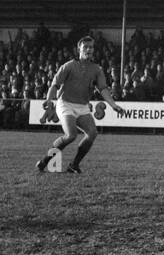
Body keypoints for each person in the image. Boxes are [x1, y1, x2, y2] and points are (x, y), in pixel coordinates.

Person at [36, 36, 123, 174]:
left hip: (82, 106)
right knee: (71, 135)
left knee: (92, 133)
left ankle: (73, 165)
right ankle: (45, 160)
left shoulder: (96, 69)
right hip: (65, 104)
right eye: (86, 47)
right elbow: (54, 85)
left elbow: (103, 89)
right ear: (79, 49)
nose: (89, 49)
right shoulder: (69, 65)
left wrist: (113, 105)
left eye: (91, 47)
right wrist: (48, 99)